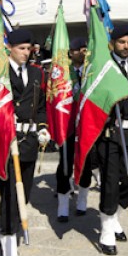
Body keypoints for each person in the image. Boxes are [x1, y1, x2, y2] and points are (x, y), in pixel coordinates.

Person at [95, 24, 128, 255]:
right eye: (121, 42)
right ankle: (107, 228)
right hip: (110, 134)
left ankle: (116, 212)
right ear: (113, 43)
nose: (126, 47)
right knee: (110, 180)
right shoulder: (104, 67)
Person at [0, 29, 49, 256]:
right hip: (6, 140)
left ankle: (11, 229)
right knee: (10, 194)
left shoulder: (36, 73)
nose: (26, 53)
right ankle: (8, 244)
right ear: (10, 47)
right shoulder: (0, 73)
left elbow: (41, 106)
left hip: (28, 140)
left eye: (28, 49)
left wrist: (43, 127)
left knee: (24, 193)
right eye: (21, 48)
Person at [55, 37, 94, 222]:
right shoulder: (63, 73)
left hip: (86, 125)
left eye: (85, 48)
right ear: (71, 52)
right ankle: (63, 204)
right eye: (78, 49)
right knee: (64, 165)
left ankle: (82, 199)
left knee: (86, 163)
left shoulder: (91, 71)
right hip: (67, 125)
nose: (82, 52)